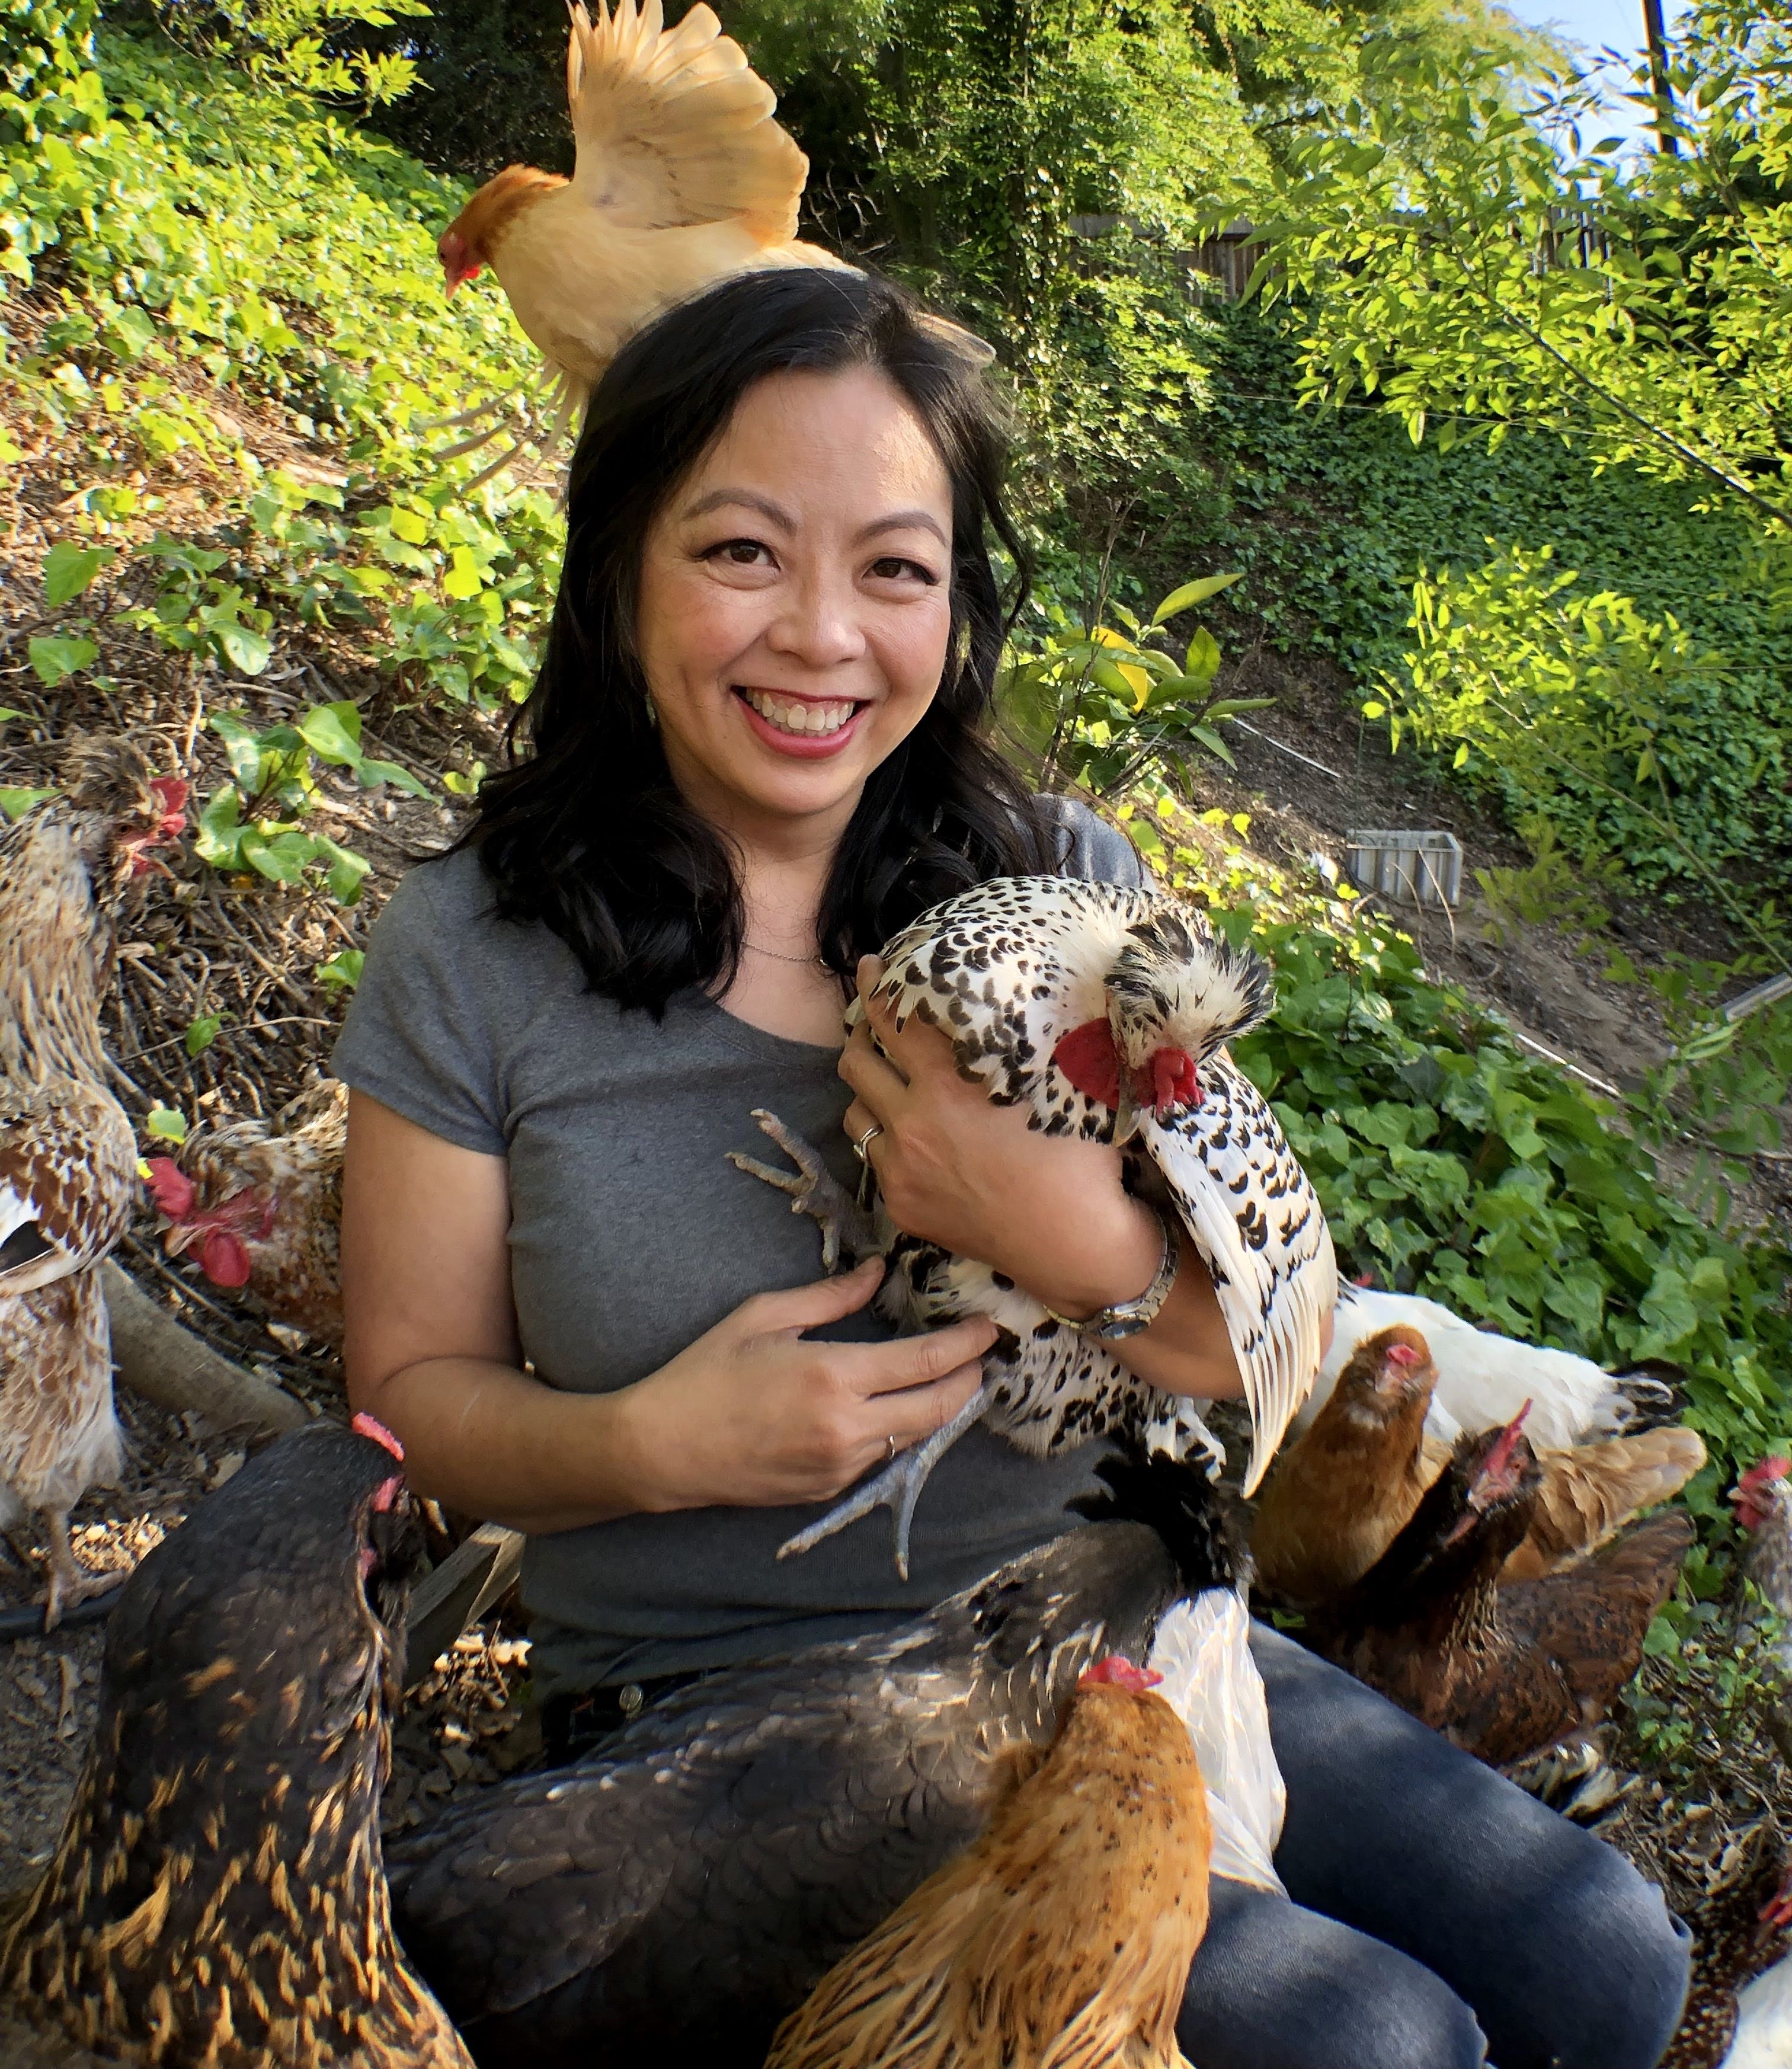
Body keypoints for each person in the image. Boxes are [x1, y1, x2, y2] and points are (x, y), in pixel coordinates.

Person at [336, 266, 1689, 2069]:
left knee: (1605, 1957)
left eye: (895, 568)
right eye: (742, 550)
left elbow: (1255, 1337)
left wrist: (1059, 1230)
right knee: (1375, 2045)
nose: (822, 635)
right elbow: (406, 1400)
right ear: (617, 569)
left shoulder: (1066, 887)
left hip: (1107, 1609)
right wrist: (656, 1444)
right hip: (745, 1709)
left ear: (959, 607)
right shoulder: (480, 950)